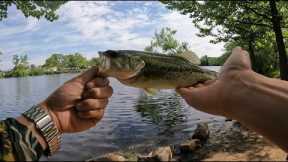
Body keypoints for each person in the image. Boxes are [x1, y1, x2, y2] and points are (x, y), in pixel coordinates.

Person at [0, 47, 287, 161]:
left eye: (114, 56)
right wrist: (52, 116)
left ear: (135, 63)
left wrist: (48, 115)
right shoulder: (131, 76)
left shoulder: (139, 73)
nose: (106, 59)